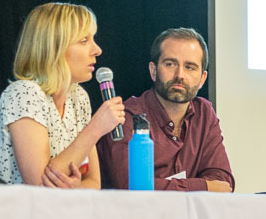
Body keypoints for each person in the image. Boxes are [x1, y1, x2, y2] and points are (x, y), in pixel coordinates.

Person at [0, 2, 125, 188]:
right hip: (14, 206)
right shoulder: (24, 93)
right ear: (54, 48)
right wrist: (96, 128)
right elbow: (39, 185)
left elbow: (93, 182)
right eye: (84, 41)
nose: (97, 50)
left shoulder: (78, 96)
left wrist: (74, 190)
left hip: (60, 207)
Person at [97, 27, 234, 192]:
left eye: (190, 67)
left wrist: (164, 186)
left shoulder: (203, 112)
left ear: (202, 79)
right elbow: (130, 186)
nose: (179, 75)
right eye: (170, 64)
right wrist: (204, 186)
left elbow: (223, 182)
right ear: (153, 71)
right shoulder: (126, 116)